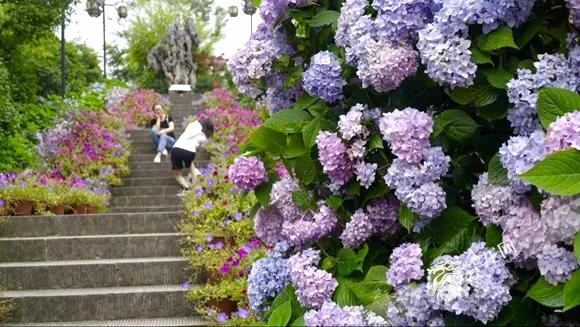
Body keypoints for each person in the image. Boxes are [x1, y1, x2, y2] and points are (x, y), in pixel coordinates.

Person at [171, 119, 214, 195]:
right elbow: (201, 148)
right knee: (192, 168)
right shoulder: (203, 137)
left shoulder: (192, 125)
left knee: (177, 174)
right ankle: (201, 182)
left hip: (176, 149)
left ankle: (186, 187)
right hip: (190, 152)